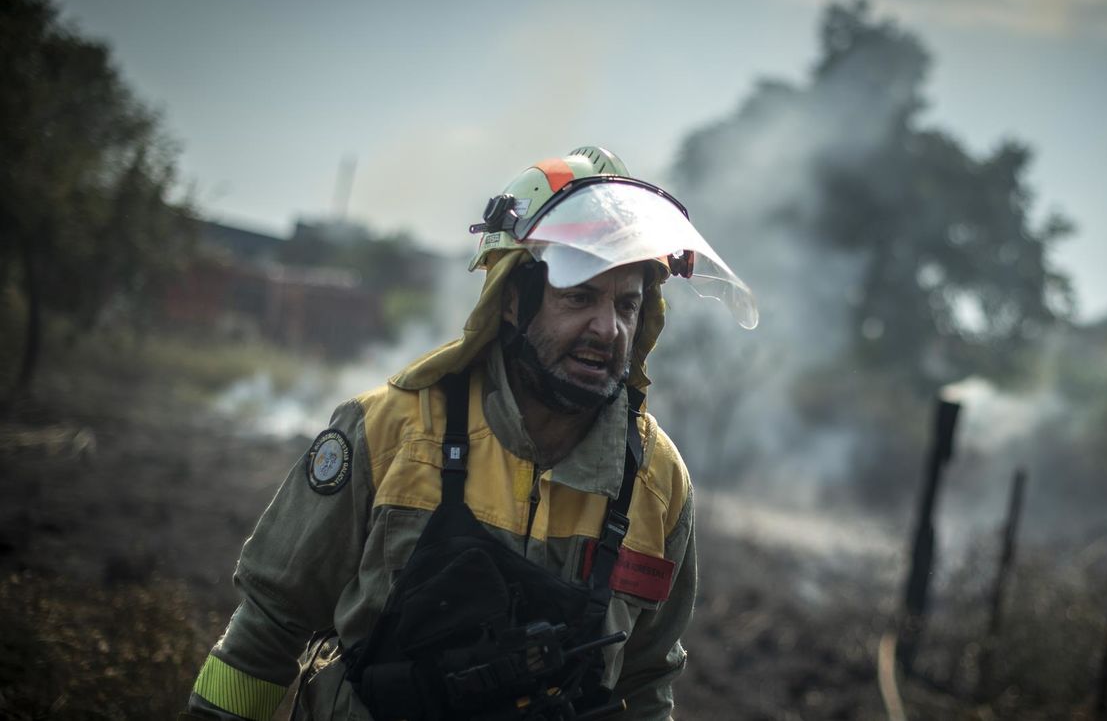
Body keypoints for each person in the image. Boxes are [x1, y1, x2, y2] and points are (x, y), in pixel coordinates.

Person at [181, 146, 757, 721]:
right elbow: (267, 631)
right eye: (579, 296)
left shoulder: (657, 482)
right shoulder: (389, 432)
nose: (608, 329)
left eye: (627, 305)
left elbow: (646, 686)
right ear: (511, 299)